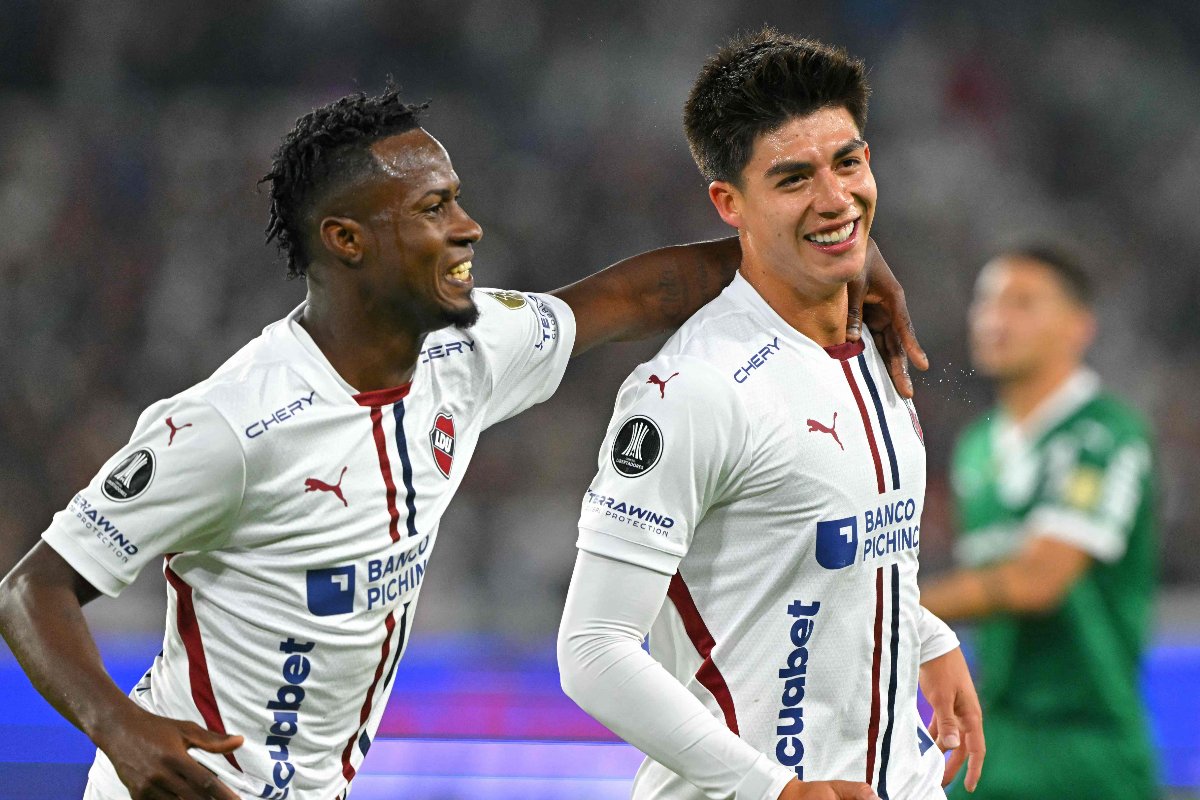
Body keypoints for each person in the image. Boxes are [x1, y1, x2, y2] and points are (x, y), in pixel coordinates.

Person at [0, 86, 923, 800]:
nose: (468, 226)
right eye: (434, 208)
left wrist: (834, 253)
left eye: (458, 201)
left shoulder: (468, 352)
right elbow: (32, 588)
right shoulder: (231, 425)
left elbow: (647, 293)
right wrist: (120, 730)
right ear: (347, 239)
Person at [558, 29, 983, 800]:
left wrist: (927, 636)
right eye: (793, 179)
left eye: (847, 163)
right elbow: (592, 650)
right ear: (729, 203)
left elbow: (835, 543)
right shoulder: (695, 389)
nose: (835, 199)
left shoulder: (874, 341)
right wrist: (775, 790)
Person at [920, 244, 1158, 800]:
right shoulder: (978, 446)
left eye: (1022, 303)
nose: (995, 319)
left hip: (1087, 745)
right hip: (999, 730)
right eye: (986, 302)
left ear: (1079, 326)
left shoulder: (1105, 435)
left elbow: (1038, 580)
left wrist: (896, 609)